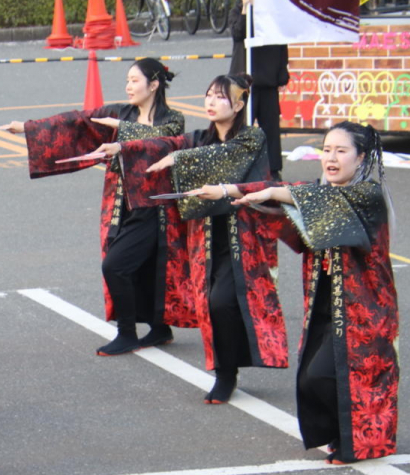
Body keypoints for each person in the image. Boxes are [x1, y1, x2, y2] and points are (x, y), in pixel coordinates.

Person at [111, 74, 289, 404]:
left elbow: (224, 156)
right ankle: (225, 370)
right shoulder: (198, 138)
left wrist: (181, 158)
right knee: (210, 302)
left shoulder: (252, 138)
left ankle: (227, 373)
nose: (210, 101)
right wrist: (123, 146)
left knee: (223, 300)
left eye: (220, 97)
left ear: (238, 105)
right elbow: (167, 143)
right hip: (205, 238)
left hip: (242, 238)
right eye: (208, 95)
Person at [232, 122, 399, 463]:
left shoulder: (367, 195)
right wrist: (229, 192)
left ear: (361, 157)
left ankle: (361, 442)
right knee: (310, 378)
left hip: (364, 307)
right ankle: (341, 434)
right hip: (326, 302)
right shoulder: (318, 191)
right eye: (326, 150)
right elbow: (294, 216)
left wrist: (272, 194)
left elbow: (316, 199)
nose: (331, 158)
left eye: (341, 151)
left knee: (334, 375)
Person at [2, 60, 192, 356]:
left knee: (121, 266)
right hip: (122, 204)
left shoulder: (173, 119)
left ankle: (128, 333)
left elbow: (162, 141)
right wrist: (29, 128)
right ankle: (159, 328)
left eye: (134, 81)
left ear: (153, 85)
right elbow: (78, 121)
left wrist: (121, 130)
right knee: (135, 265)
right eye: (127, 81)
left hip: (156, 209)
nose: (128, 87)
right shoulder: (119, 112)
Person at [230, 0, 290, 178]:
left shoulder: (274, 14)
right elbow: (238, 33)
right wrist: (246, 7)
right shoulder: (239, 11)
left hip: (267, 78)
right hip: (244, 78)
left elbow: (282, 42)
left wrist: (282, 75)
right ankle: (239, 165)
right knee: (241, 125)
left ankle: (273, 168)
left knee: (270, 128)